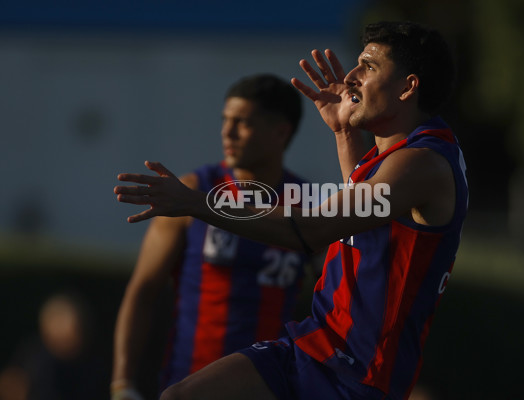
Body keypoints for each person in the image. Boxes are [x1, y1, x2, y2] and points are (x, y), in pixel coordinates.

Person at [114, 21, 468, 400]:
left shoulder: (422, 163)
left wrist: (196, 202)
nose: (351, 77)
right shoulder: (388, 161)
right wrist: (343, 133)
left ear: (408, 87)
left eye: (368, 66)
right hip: (315, 346)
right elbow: (360, 219)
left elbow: (312, 230)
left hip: (358, 376)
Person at [110, 74, 313, 400]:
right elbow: (143, 291)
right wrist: (122, 384)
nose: (227, 132)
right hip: (187, 384)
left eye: (242, 122)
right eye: (225, 120)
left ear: (281, 132)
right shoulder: (190, 191)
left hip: (268, 389)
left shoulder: (307, 206)